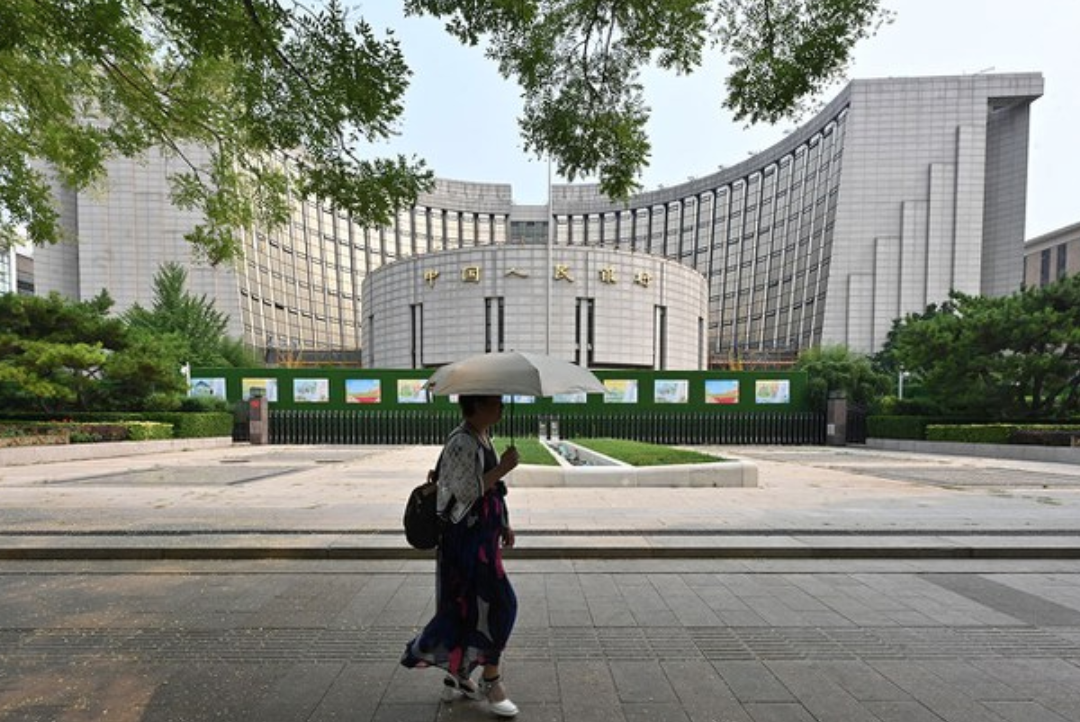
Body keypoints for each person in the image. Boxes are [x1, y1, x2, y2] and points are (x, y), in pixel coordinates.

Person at [401, 394, 521, 718]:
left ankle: (457, 675)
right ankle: (490, 680)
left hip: (483, 540)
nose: (502, 406)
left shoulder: (482, 436)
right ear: (477, 405)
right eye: (495, 401)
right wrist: (503, 468)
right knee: (501, 605)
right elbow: (467, 492)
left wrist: (504, 522)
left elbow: (493, 492)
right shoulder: (461, 441)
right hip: (466, 544)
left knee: (466, 608)